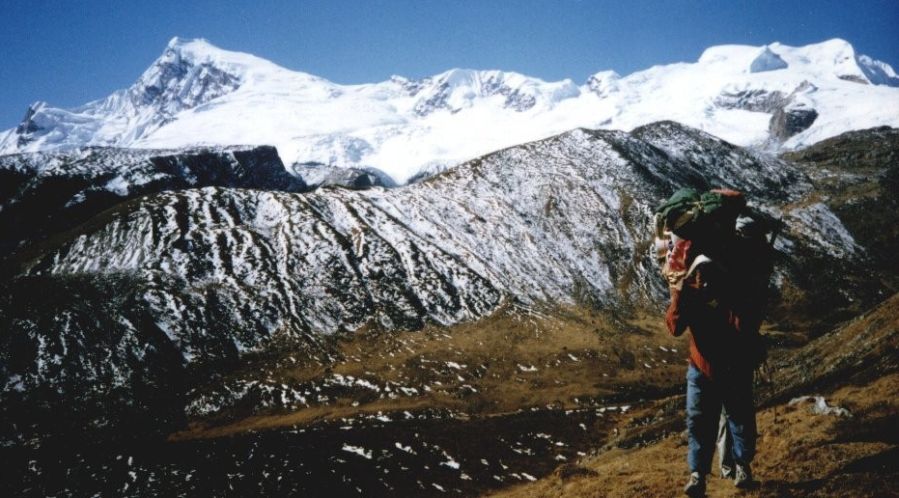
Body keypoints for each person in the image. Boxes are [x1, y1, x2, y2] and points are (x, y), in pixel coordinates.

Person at [655, 188, 769, 497]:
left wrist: (680, 291)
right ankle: (703, 475)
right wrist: (680, 293)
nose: (703, 281)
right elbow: (676, 325)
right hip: (714, 364)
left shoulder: (719, 288)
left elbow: (676, 326)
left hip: (709, 364)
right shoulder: (709, 286)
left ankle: (723, 471)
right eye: (698, 276)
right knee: (726, 418)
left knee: (714, 421)